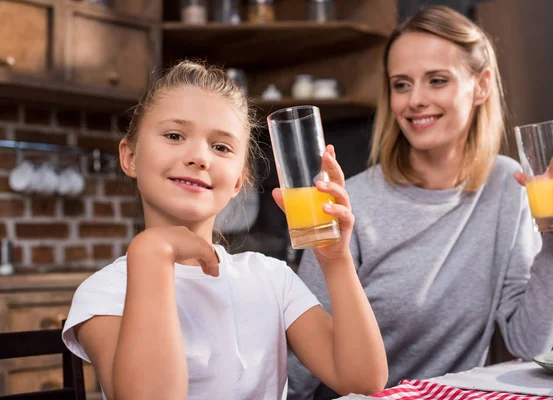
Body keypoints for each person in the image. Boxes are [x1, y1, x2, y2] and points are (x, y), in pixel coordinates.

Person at [287, 5, 553, 400]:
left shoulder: (509, 185)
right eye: (401, 84)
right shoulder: (350, 204)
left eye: (436, 80)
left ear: (481, 85)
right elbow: (298, 366)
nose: (415, 100)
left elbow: (528, 343)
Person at [61, 60, 388, 400]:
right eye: (174, 135)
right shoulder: (105, 292)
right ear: (130, 156)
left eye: (221, 147)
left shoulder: (272, 279)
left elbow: (363, 381)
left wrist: (335, 258)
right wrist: (152, 251)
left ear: (237, 182)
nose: (200, 157)